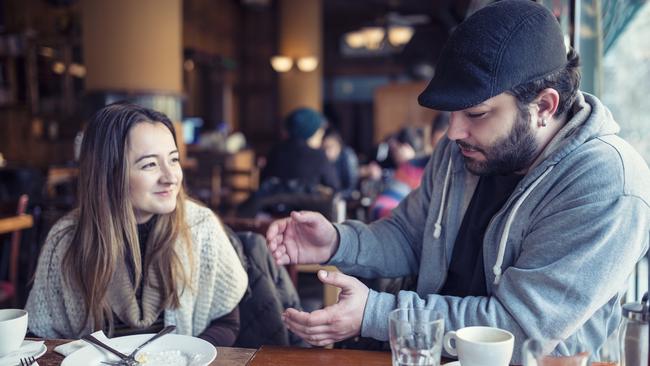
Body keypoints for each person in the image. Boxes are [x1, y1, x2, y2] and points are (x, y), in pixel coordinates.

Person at [265, 1, 650, 363]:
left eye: (476, 112)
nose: (452, 132)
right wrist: (337, 241)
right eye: (451, 113)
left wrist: (376, 313)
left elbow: (520, 327)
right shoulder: (465, 151)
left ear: (544, 107)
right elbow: (409, 237)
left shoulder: (607, 182)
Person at [26, 102, 248, 346]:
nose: (171, 176)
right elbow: (41, 335)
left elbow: (227, 322)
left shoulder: (199, 227)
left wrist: (189, 357)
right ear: (108, 173)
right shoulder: (67, 239)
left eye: (173, 160)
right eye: (150, 164)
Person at [369, 113, 450, 220]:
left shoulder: (473, 175)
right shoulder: (412, 168)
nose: (445, 153)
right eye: (439, 146)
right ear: (431, 141)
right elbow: (380, 207)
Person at [261, 107, 340, 191]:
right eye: (319, 130)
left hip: (276, 203)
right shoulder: (317, 156)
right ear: (310, 131)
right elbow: (334, 187)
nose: (322, 134)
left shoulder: (275, 151)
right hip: (306, 204)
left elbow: (264, 181)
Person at [322, 128, 360, 199]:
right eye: (324, 148)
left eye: (330, 147)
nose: (326, 152)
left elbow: (352, 187)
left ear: (339, 146)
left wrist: (335, 194)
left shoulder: (348, 157)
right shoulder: (323, 159)